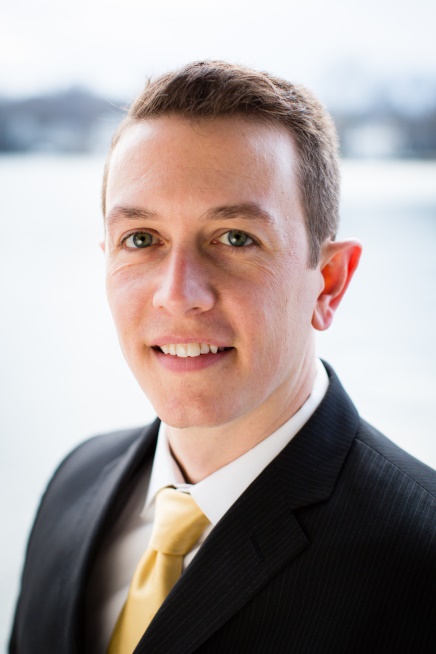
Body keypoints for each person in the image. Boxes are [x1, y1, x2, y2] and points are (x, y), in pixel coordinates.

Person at [10, 61, 436, 654]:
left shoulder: (422, 559)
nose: (178, 294)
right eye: (141, 239)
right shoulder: (73, 483)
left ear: (330, 282)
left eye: (236, 238)